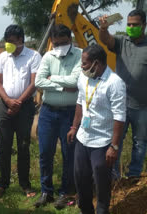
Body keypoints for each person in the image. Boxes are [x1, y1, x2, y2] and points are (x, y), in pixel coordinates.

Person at [67, 44, 126, 214]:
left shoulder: (115, 83)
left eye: (84, 63)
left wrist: (114, 146)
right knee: (80, 177)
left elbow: (119, 116)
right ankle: (85, 210)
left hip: (102, 142)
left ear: (97, 64)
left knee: (101, 181)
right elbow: (80, 102)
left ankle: (102, 210)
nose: (82, 66)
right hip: (83, 138)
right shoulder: (84, 77)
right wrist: (74, 126)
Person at [34, 24, 81, 209]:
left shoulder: (79, 55)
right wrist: (62, 85)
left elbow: (76, 81)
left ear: (70, 40)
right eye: (55, 43)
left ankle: (65, 192)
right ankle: (46, 191)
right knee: (45, 152)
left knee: (69, 153)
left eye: (62, 43)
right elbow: (38, 81)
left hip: (70, 112)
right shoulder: (48, 56)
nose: (59, 46)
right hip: (48, 111)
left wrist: (52, 79)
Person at [0, 24, 41, 198]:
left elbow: (34, 82)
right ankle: (3, 183)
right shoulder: (3, 57)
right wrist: (7, 101)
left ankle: (25, 185)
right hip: (5, 105)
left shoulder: (33, 56)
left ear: (21, 40)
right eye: (6, 41)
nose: (8, 45)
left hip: (25, 107)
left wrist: (18, 102)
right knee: (4, 147)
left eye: (11, 41)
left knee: (23, 146)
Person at [99, 9, 147, 179]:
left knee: (140, 143)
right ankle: (113, 176)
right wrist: (104, 28)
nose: (131, 27)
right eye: (129, 24)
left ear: (144, 25)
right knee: (115, 141)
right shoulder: (121, 42)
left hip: (143, 106)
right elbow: (106, 40)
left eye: (135, 25)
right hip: (120, 104)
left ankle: (133, 176)